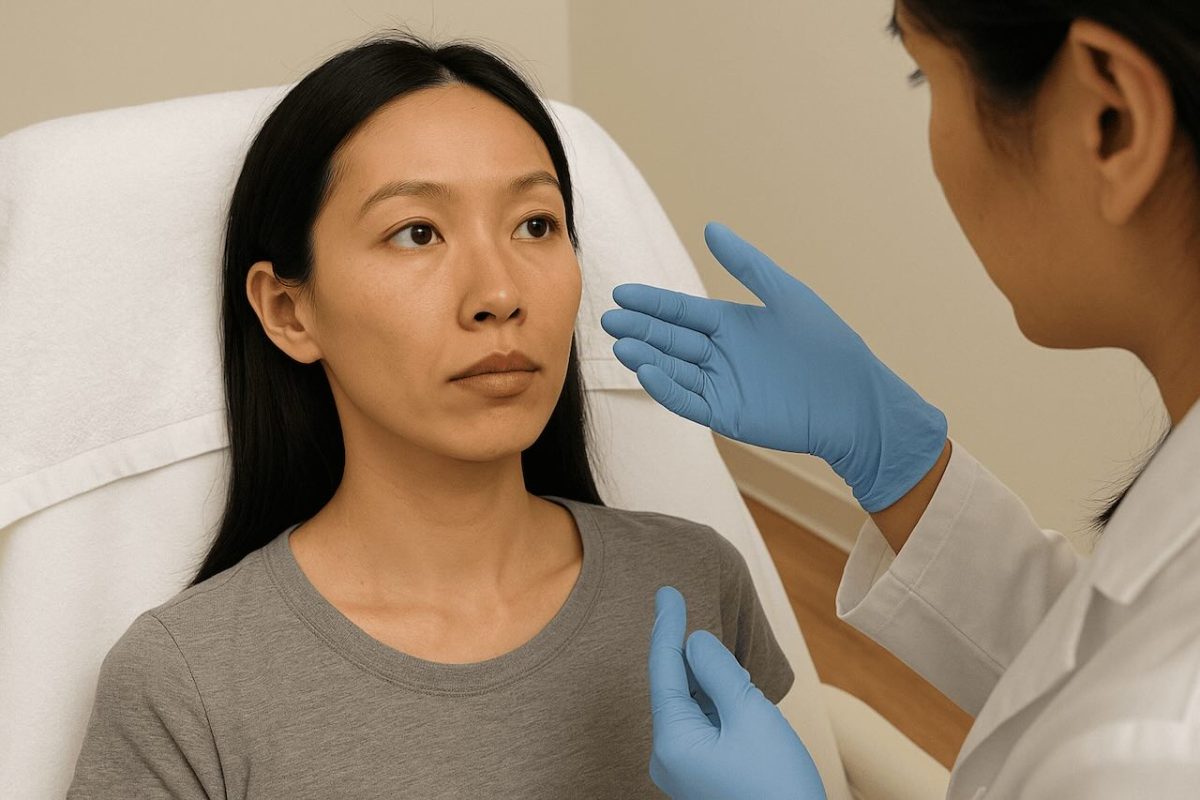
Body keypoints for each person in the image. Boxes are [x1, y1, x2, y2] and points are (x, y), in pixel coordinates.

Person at [66, 33, 796, 799]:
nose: (500, 292)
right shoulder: (186, 685)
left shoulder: (694, 585)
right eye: (417, 232)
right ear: (288, 311)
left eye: (535, 225)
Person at [600, 1, 1200, 798]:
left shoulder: (1154, 749)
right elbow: (1093, 662)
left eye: (927, 74)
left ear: (1112, 120)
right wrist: (904, 466)